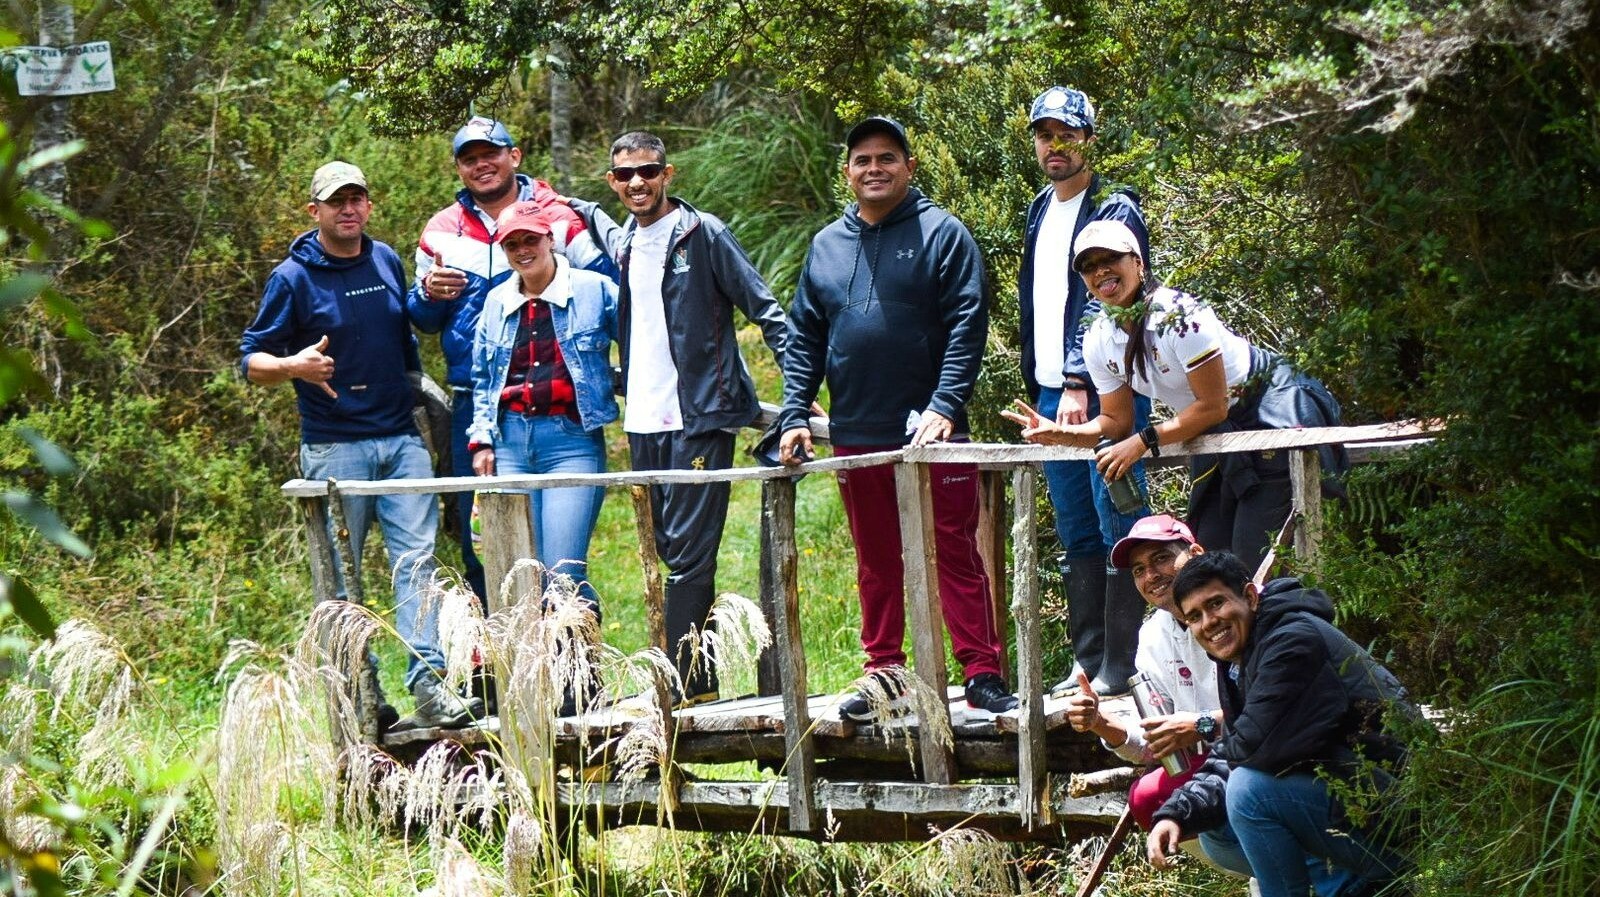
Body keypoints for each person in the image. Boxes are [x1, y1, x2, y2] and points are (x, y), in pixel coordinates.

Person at [776, 116, 1018, 721]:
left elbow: (968, 323)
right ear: (847, 172)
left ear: (910, 167)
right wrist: (794, 413)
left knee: (955, 550)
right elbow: (805, 336)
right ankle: (885, 675)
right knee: (876, 560)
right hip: (858, 433)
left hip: (933, 433)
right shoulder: (826, 245)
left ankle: (982, 673)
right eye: (863, 159)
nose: (874, 168)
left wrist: (945, 404)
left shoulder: (943, 233)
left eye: (887, 157)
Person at [240, 161, 483, 730]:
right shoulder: (292, 278)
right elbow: (250, 360)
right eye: (336, 202)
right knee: (342, 579)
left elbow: (405, 341)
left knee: (418, 565)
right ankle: (361, 695)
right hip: (335, 447)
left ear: (369, 206)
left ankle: (429, 686)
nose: (348, 210)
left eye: (357, 199)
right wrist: (293, 366)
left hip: (402, 440)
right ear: (315, 211)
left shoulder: (385, 260)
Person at [568, 131, 792, 706]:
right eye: (624, 175)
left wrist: (796, 394)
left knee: (690, 558)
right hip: (643, 421)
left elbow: (766, 309)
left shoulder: (703, 233)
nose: (637, 182)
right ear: (613, 181)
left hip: (699, 416)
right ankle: (698, 679)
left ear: (668, 174)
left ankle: (682, 689)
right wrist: (558, 200)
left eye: (648, 171)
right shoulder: (625, 243)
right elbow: (596, 221)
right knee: (670, 551)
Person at [1003, 219, 1343, 570]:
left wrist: (1144, 441)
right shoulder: (1097, 337)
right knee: (1210, 562)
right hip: (1214, 428)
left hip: (1268, 407)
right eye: (1089, 266)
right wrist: (1062, 434)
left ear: (1138, 262)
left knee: (1257, 561)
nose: (1101, 270)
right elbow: (1116, 423)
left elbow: (1213, 405)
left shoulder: (1179, 315)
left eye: (1111, 258)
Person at [1066, 517, 1350, 893]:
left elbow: (1264, 724)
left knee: (1245, 793)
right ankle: (1288, 869)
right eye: (1138, 570)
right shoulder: (1154, 637)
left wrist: (1199, 725)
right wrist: (1100, 722)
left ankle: (1334, 876)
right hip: (1241, 757)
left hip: (1328, 770)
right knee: (1163, 804)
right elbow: (1160, 742)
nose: (1151, 576)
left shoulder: (1269, 631)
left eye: (1161, 558)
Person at [407, 116, 617, 603]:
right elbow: (422, 318)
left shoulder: (558, 216)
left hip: (567, 419)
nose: (482, 165)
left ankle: (574, 651)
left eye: (491, 154)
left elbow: (614, 299)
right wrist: (427, 293)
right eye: (469, 158)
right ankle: (501, 650)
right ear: (458, 168)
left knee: (561, 572)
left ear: (514, 156)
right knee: (489, 554)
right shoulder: (441, 230)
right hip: (483, 410)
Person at [1151, 551, 1420, 897]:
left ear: (1250, 596)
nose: (1209, 622)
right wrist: (1176, 813)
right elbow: (1236, 744)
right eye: (1195, 616)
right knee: (1215, 832)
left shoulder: (1291, 640)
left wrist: (1205, 745)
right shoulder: (1245, 651)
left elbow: (1253, 748)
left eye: (1216, 603)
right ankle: (1352, 885)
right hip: (1355, 798)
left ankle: (1362, 885)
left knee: (1248, 794)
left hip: (1399, 815)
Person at [1018, 85, 1153, 697]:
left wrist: (1077, 378)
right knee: (1075, 530)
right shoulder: (1039, 209)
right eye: (1045, 135)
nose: (1056, 145)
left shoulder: (1113, 206)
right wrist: (1048, 381)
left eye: (1067, 135)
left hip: (1104, 390)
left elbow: (1110, 294)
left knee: (1118, 519)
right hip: (1051, 393)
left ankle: (1127, 661)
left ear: (1089, 140)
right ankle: (1089, 661)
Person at [465, 202, 619, 608]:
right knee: (519, 573)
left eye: (530, 239)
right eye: (512, 243)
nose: (522, 250)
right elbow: (482, 377)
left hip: (572, 442)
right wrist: (482, 440)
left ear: (550, 239)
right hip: (509, 444)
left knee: (563, 574)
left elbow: (643, 342)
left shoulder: (595, 290)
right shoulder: (496, 301)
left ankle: (578, 650)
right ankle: (534, 653)